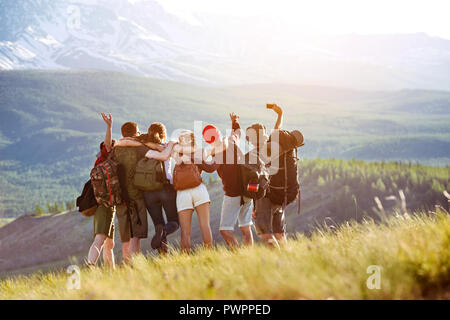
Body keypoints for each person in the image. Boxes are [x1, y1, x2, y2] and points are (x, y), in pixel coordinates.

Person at [146, 130, 218, 253]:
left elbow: (158, 147)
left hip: (183, 193)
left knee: (185, 232)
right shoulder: (197, 151)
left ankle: (185, 257)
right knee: (205, 226)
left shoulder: (176, 152)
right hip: (199, 190)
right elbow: (211, 168)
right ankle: (209, 255)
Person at [110, 120, 164, 259]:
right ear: (135, 133)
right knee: (136, 236)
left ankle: (128, 268)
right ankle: (136, 267)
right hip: (136, 196)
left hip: (120, 198)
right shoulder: (140, 148)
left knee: (125, 238)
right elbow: (159, 152)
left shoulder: (115, 149)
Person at [209, 113, 254, 248]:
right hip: (247, 190)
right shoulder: (231, 140)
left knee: (225, 230)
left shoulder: (214, 152)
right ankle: (249, 257)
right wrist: (235, 121)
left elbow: (210, 168)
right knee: (246, 228)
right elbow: (237, 133)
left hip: (232, 193)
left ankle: (239, 255)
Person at [245, 104, 288, 248]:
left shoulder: (252, 156)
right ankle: (291, 260)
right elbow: (278, 129)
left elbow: (252, 182)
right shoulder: (273, 145)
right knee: (279, 233)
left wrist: (252, 204)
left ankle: (280, 263)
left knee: (264, 232)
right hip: (279, 194)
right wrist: (280, 115)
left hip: (264, 198)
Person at [142, 123, 179, 253]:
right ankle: (164, 231)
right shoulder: (168, 146)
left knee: (158, 223)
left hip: (148, 192)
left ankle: (164, 256)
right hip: (166, 189)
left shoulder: (144, 148)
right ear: (163, 134)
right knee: (174, 221)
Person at [86, 112, 116, 268]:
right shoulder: (105, 157)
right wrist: (109, 126)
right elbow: (108, 145)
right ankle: (91, 265)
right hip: (105, 204)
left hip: (103, 204)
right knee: (100, 239)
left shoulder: (98, 162)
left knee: (109, 243)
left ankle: (112, 273)